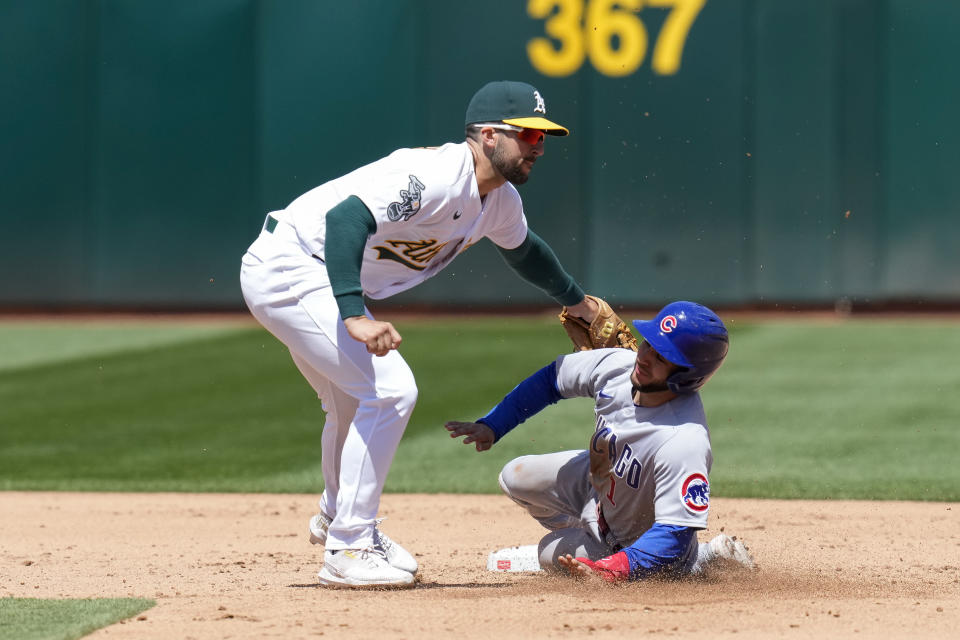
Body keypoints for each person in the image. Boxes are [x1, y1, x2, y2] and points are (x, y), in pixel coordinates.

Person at [240, 80, 602, 588]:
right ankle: (348, 549)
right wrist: (353, 315)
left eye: (543, 137)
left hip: (313, 272)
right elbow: (347, 219)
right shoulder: (433, 175)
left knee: (352, 401)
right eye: (528, 135)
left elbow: (525, 252)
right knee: (390, 391)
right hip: (293, 265)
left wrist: (576, 301)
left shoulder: (499, 201)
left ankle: (340, 519)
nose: (538, 147)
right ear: (489, 136)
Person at [446, 301, 755, 583]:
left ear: (687, 376)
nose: (644, 357)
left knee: (547, 554)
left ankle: (697, 562)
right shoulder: (620, 366)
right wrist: (493, 424)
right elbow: (551, 381)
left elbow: (674, 533)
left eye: (661, 357)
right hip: (597, 486)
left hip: (631, 541)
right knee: (513, 477)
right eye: (648, 343)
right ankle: (585, 531)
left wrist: (614, 567)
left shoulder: (682, 440)